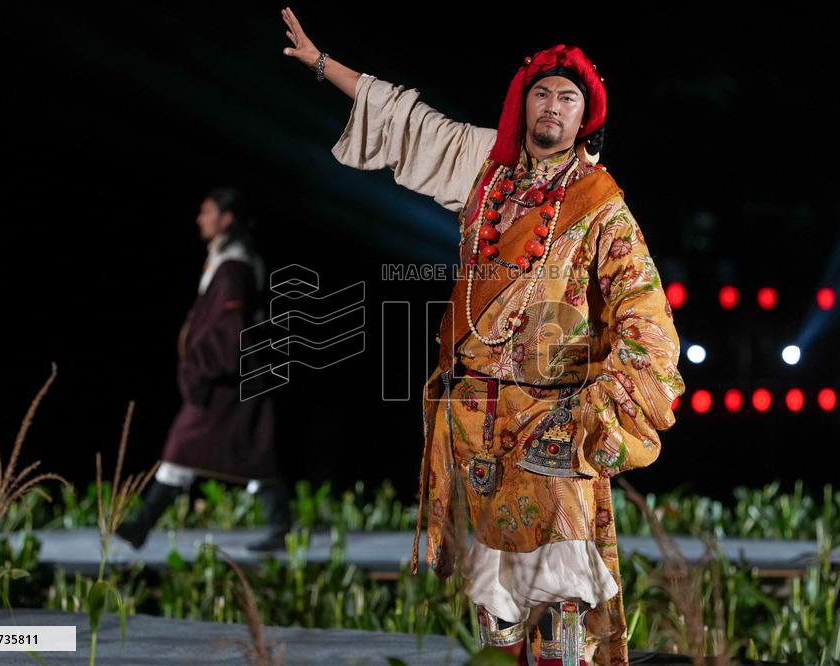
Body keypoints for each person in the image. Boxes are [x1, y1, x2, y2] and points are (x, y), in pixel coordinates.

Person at [282, 8, 685, 665]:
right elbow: (414, 125)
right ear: (522, 105)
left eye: (568, 98)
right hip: (473, 423)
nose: (552, 106)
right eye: (542, 93)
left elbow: (646, 316)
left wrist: (597, 411)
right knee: (495, 615)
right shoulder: (486, 170)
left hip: (548, 427)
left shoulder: (598, 204)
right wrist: (326, 67)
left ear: (585, 119)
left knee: (558, 613)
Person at [115, 188, 293, 553]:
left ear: (226, 219)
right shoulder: (229, 261)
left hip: (227, 379)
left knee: (202, 444)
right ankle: (143, 525)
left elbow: (230, 329)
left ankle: (143, 525)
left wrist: (201, 367)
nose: (200, 218)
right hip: (231, 378)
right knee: (243, 449)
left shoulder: (234, 267)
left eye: (207, 211)